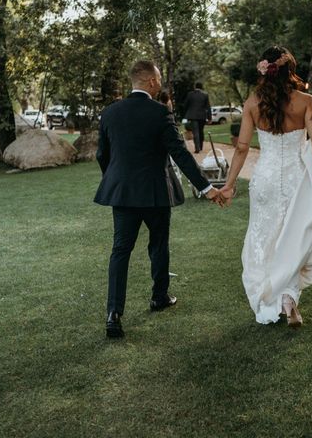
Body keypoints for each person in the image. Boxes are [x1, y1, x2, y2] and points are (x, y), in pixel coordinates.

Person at [94, 60, 224, 338]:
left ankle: (113, 313)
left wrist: (117, 182)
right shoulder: (160, 113)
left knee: (120, 251)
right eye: (159, 79)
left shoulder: (110, 113)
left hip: (123, 193)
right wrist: (206, 188)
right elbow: (180, 154)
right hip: (155, 192)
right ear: (151, 81)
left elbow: (102, 156)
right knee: (158, 245)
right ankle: (159, 296)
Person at [219, 46, 312, 328]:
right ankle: (288, 297)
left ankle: (271, 297)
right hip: (298, 179)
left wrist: (228, 185)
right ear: (290, 69)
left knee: (265, 236)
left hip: (266, 179)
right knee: (295, 237)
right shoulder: (306, 101)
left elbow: (241, 148)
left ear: (263, 70)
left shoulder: (251, 103)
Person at [183, 82, 211, 153]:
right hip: (202, 116)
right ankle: (201, 147)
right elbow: (208, 107)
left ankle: (197, 148)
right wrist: (209, 118)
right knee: (201, 131)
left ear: (195, 87)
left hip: (192, 116)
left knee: (195, 132)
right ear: (201, 87)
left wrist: (186, 113)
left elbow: (185, 105)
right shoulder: (205, 95)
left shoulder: (190, 94)